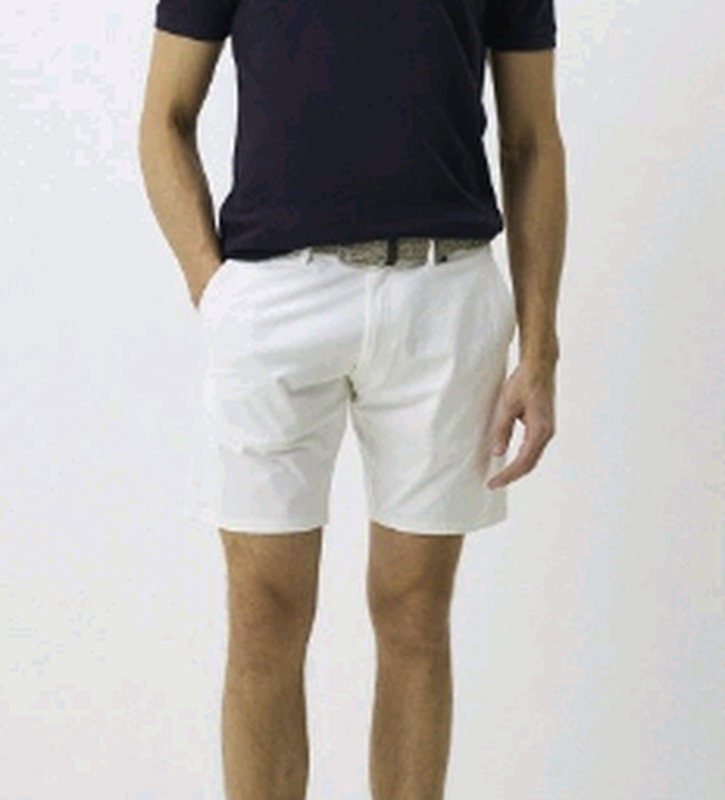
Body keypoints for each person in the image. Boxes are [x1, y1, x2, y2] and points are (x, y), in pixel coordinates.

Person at [138, 0, 566, 795]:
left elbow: (532, 139)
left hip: (442, 295)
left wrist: (539, 348)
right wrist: (214, 290)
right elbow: (164, 116)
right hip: (275, 297)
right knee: (264, 615)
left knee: (415, 614)